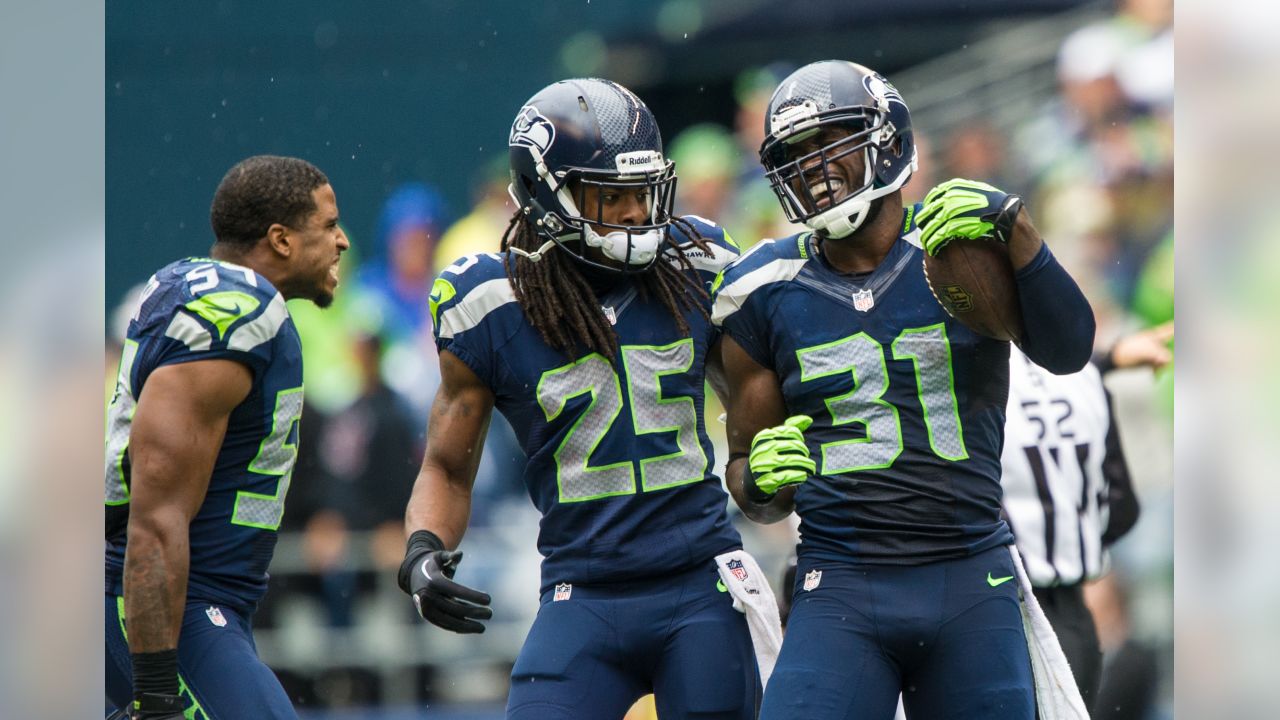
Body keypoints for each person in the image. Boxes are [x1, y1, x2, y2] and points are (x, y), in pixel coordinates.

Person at [712, 60, 1096, 719]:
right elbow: (755, 491)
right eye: (796, 156)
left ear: (887, 141)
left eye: (828, 144)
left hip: (971, 573)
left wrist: (1020, 232)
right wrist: (759, 479)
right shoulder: (759, 289)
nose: (813, 169)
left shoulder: (962, 247)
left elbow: (1070, 351)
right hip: (839, 582)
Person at [399, 77, 762, 719]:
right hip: (581, 590)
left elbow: (760, 414)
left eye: (642, 192)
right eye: (610, 195)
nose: (633, 213)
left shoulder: (697, 266)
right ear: (544, 194)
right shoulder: (491, 304)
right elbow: (448, 465)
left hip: (700, 582)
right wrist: (423, 550)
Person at [104, 155, 350, 719]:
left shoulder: (214, 295)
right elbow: (157, 515)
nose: (341, 242)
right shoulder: (236, 314)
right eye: (329, 225)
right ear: (281, 240)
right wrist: (158, 689)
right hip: (176, 609)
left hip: (197, 606)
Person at [1002, 322, 1170, 709]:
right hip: (1070, 616)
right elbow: (1122, 510)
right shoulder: (1087, 376)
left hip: (993, 607)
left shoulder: (964, 376)